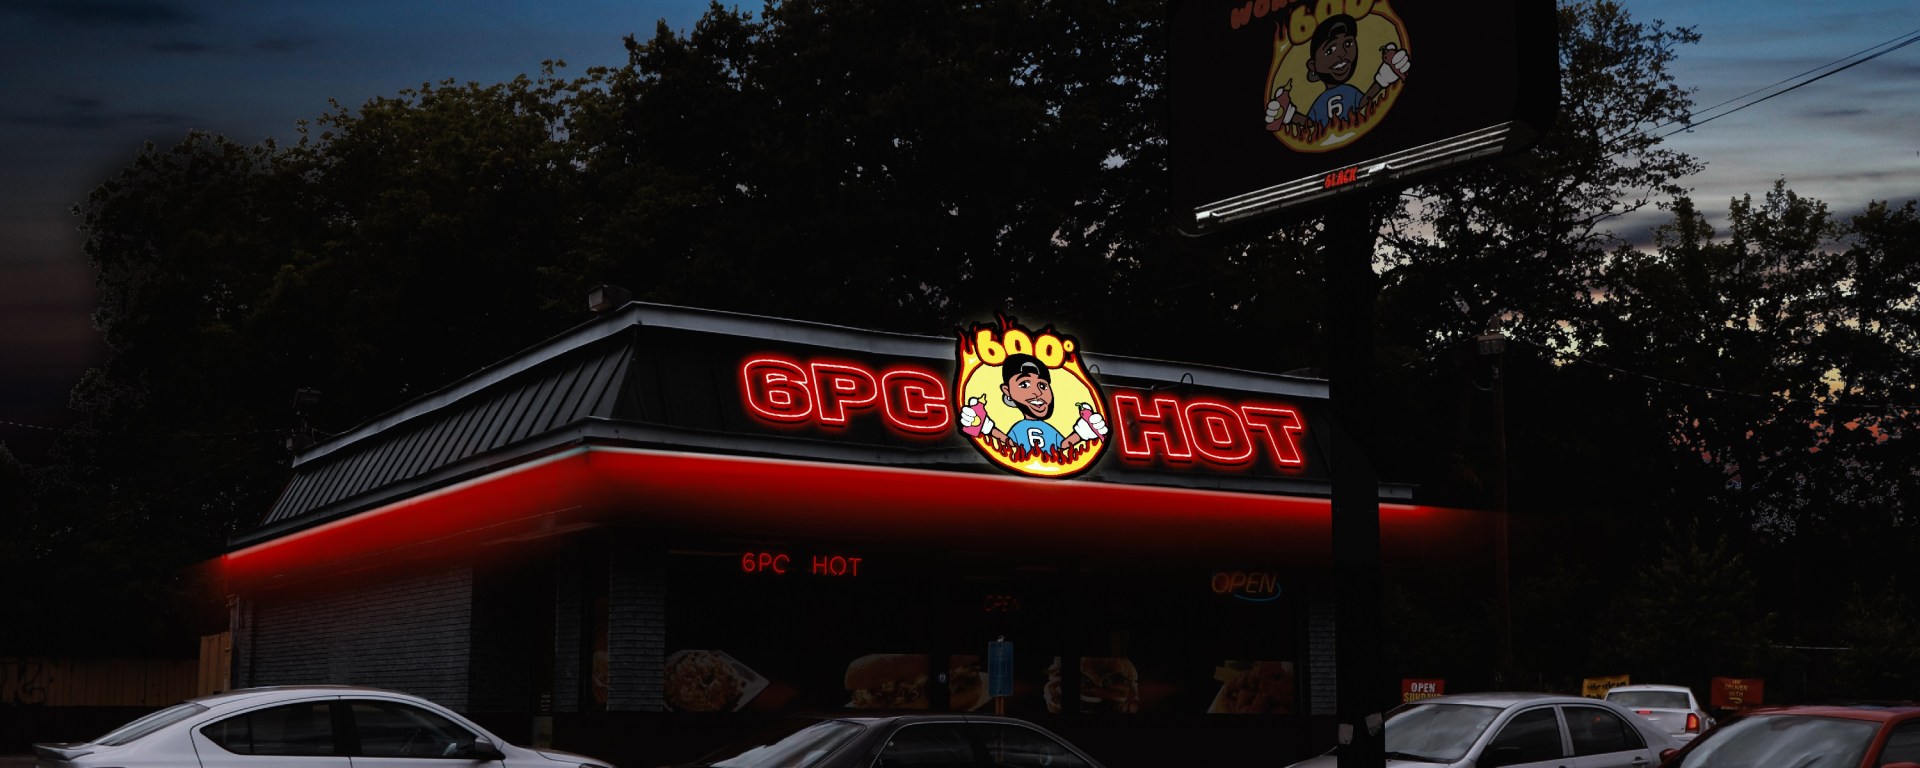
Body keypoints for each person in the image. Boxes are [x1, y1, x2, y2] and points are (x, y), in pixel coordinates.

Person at [1267, 13, 1411, 129]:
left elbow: (1363, 105)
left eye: (1348, 43)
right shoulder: (1323, 102)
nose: (1342, 53)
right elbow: (1311, 124)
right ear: (1313, 66)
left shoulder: (1348, 92)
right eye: (1330, 50)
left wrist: (1384, 78)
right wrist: (1381, 81)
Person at [958, 353, 1107, 453]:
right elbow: (1010, 445)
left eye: (1043, 385)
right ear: (1007, 391)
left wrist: (1082, 432)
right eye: (1024, 384)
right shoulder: (1019, 428)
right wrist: (986, 427)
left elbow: (1063, 447)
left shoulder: (1049, 429)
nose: (1037, 392)